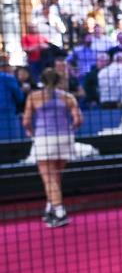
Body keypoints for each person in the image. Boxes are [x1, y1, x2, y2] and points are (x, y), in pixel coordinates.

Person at [22, 68, 83, 228]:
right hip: (64, 137)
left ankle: (60, 211)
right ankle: (50, 209)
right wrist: (69, 129)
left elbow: (26, 121)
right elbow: (78, 120)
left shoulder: (34, 96)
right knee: (55, 177)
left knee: (49, 178)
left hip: (44, 138)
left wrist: (30, 131)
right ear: (59, 80)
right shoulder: (68, 97)